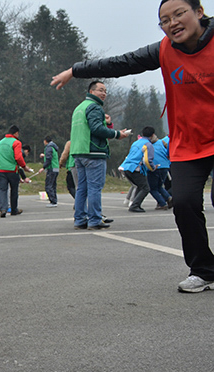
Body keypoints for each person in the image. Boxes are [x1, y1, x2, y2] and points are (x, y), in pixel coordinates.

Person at [51, 0, 214, 290]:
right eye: (164, 20)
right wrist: (76, 70)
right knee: (185, 203)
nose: (172, 23)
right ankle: (202, 269)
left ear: (199, 12)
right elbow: (120, 63)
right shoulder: (164, 50)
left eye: (179, 14)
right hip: (188, 144)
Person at [59, 81, 129, 229]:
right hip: (93, 152)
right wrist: (117, 134)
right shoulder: (94, 107)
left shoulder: (79, 108)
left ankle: (79, 219)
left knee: (82, 188)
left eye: (105, 91)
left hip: (78, 153)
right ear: (91, 91)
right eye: (100, 90)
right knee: (94, 188)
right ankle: (95, 219)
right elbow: (96, 128)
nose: (103, 93)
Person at [0, 125, 33, 217]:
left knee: (3, 190)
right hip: (12, 170)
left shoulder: (0, 142)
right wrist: (24, 167)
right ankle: (13, 210)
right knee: (14, 190)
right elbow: (18, 157)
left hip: (0, 169)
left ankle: (3, 209)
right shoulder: (16, 142)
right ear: (16, 133)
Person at [119, 127, 157, 213]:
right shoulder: (148, 144)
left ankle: (134, 204)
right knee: (146, 188)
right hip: (135, 168)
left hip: (126, 167)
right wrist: (153, 168)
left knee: (140, 186)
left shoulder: (136, 143)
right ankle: (135, 205)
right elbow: (147, 160)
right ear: (152, 135)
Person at [149, 135, 172, 209]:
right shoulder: (162, 142)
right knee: (160, 186)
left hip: (154, 167)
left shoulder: (147, 144)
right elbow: (168, 152)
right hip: (165, 166)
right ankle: (168, 198)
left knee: (152, 188)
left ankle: (162, 203)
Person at [41, 136, 60, 207]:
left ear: (45, 141)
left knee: (48, 185)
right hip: (56, 168)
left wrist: (43, 167)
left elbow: (49, 159)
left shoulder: (48, 147)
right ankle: (54, 200)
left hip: (51, 168)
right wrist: (44, 155)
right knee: (53, 185)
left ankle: (53, 201)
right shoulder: (53, 147)